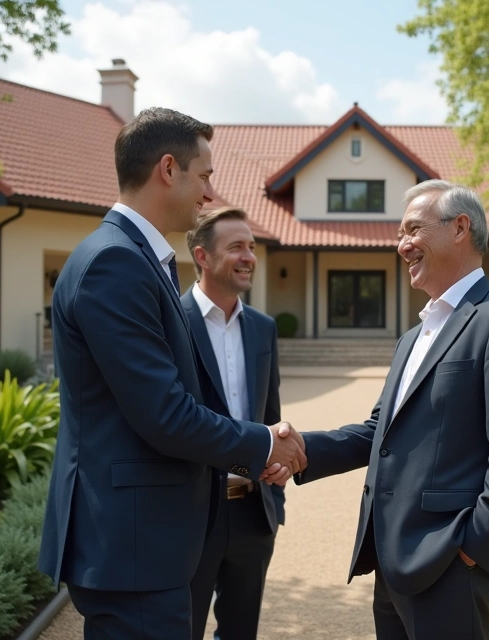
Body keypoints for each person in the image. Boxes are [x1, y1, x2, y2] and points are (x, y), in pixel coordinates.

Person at [37, 107, 306, 640]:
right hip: (135, 541)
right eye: (204, 174)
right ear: (168, 169)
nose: (209, 192)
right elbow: (163, 413)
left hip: (145, 541)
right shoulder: (115, 263)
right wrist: (262, 444)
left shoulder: (135, 258)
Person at [291, 179, 489, 640]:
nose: (402, 246)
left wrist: (473, 550)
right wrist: (301, 449)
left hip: (449, 564)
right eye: (398, 236)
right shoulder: (414, 336)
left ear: (460, 228)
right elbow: (380, 433)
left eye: (412, 230)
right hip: (390, 559)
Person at [181, 207, 285, 640]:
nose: (248, 256)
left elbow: (271, 418)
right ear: (202, 256)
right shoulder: (173, 323)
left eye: (252, 247)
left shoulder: (264, 328)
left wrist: (277, 486)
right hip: (190, 512)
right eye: (236, 247)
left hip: (252, 511)